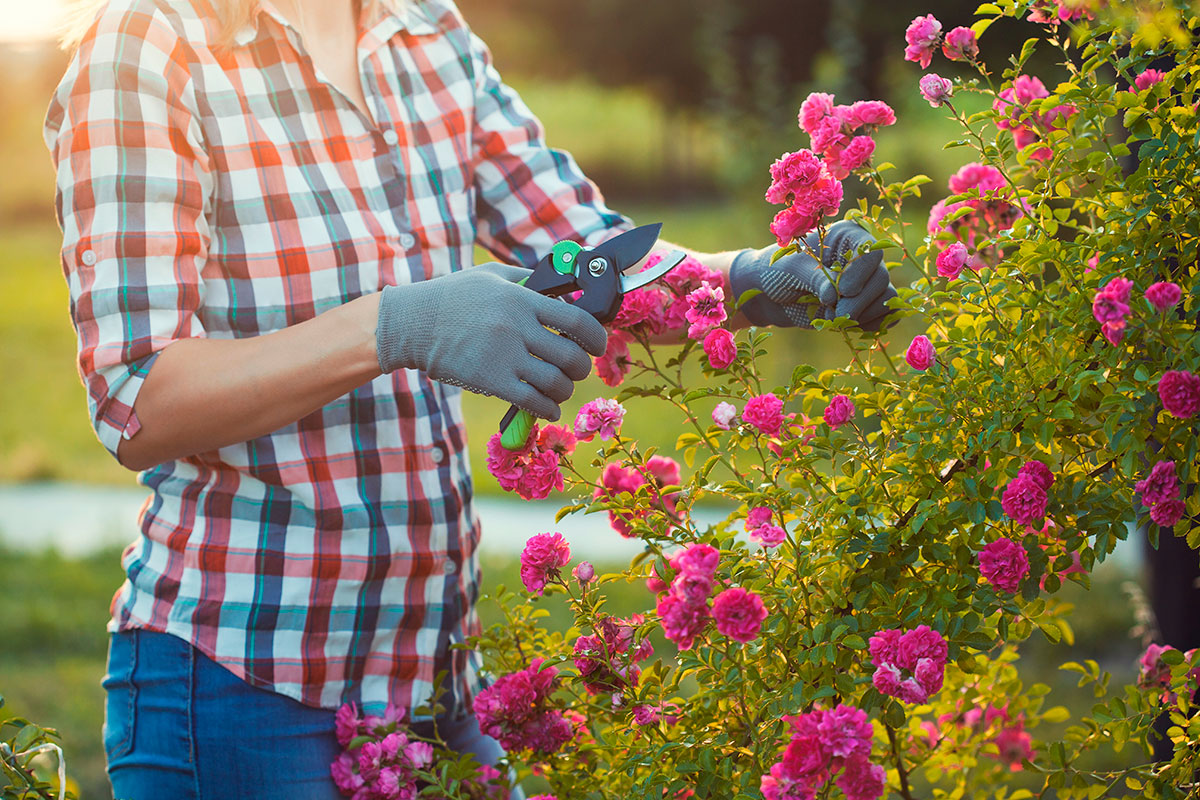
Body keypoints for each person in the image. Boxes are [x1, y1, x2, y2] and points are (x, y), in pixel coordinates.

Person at [44, 0, 896, 796]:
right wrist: (395, 326)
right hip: (241, 684)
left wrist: (749, 282)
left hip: (434, 678)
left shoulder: (419, 25)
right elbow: (139, 398)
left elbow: (586, 252)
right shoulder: (149, 44)